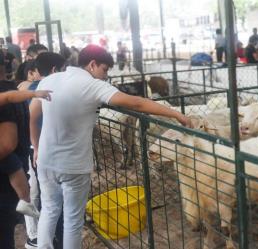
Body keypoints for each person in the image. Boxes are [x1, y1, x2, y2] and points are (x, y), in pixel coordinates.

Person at [30, 44, 191, 249]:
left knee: (50, 209)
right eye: (104, 70)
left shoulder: (51, 79)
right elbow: (137, 103)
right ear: (92, 64)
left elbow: (33, 115)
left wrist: (36, 147)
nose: (105, 76)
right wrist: (175, 114)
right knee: (72, 219)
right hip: (74, 166)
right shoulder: (93, 86)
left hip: (45, 160)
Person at [0, 52, 49, 249]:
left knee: (15, 170)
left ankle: (26, 201)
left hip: (8, 163)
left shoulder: (6, 94)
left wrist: (34, 93)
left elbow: (6, 145)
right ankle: (26, 202)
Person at [25, 52, 67, 249]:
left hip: (35, 151)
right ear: (54, 70)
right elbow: (32, 119)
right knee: (53, 204)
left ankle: (40, 239)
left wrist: (34, 147)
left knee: (45, 201)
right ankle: (51, 239)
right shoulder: (48, 90)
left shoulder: (27, 90)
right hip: (49, 152)